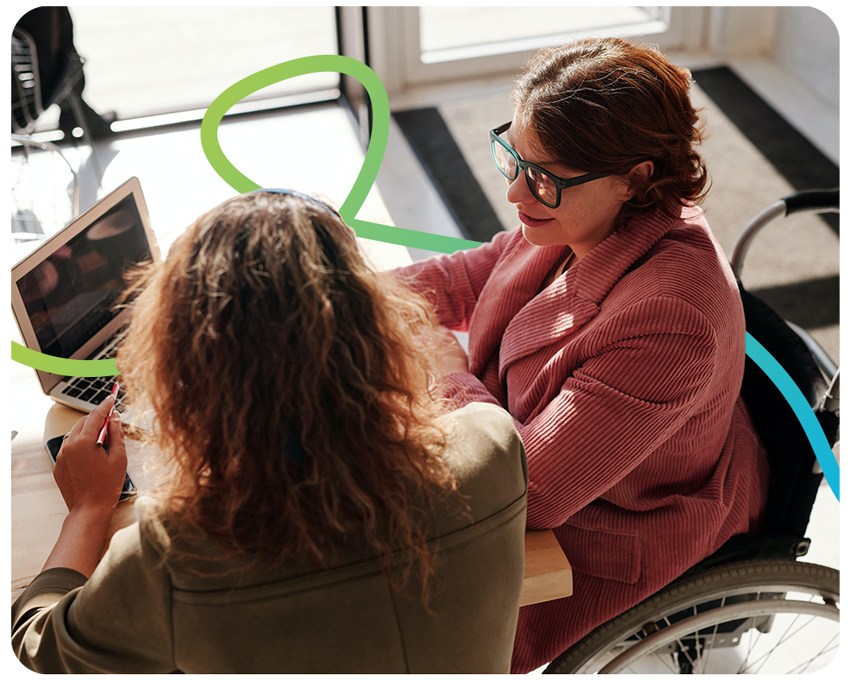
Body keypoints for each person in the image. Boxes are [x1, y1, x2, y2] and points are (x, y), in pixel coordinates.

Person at [11, 190, 529, 673]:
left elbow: (37, 658)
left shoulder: (172, 555)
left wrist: (87, 509)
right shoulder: (494, 445)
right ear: (378, 327)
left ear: (186, 369)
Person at [395, 37, 770, 672]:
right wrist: (332, 295)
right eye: (511, 158)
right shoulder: (578, 213)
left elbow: (527, 493)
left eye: (540, 176)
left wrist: (445, 370)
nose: (516, 194)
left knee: (395, 612)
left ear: (637, 177)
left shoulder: (670, 320)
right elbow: (470, 277)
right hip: (549, 456)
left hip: (603, 534)